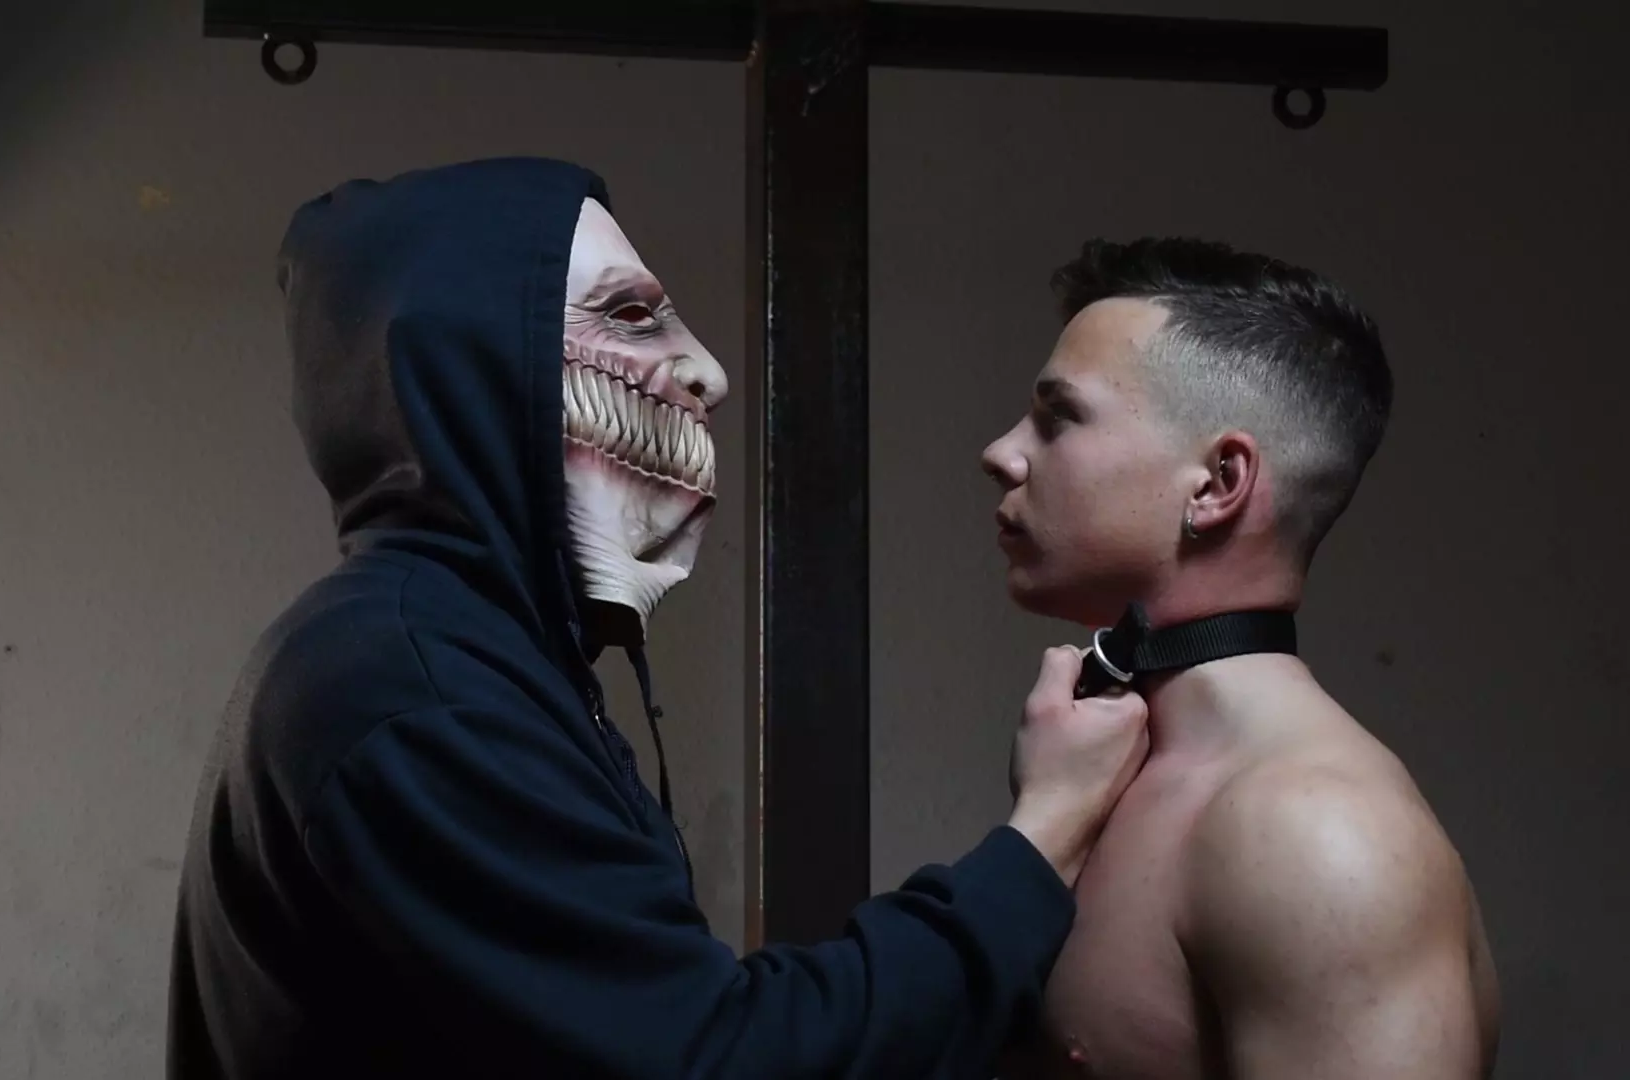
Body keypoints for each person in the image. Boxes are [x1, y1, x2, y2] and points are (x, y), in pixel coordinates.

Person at [166, 157, 1150, 1079]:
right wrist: (1042, 836)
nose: (707, 371)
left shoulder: (446, 651)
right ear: (479, 369)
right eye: (632, 317)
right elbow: (712, 1059)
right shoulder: (417, 686)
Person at [981, 237, 1503, 1079]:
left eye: (1058, 417)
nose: (1003, 453)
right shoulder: (1103, 774)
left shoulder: (1316, 834)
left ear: (1219, 483)